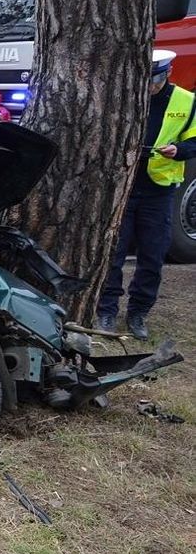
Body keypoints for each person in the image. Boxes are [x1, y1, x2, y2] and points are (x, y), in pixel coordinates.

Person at [96, 49, 196, 339]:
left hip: (159, 190)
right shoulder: (125, 95)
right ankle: (106, 312)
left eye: (154, 81)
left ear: (167, 75)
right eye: (145, 81)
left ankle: (139, 313)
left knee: (152, 256)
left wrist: (179, 151)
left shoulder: (186, 102)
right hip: (123, 189)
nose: (149, 88)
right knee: (113, 255)